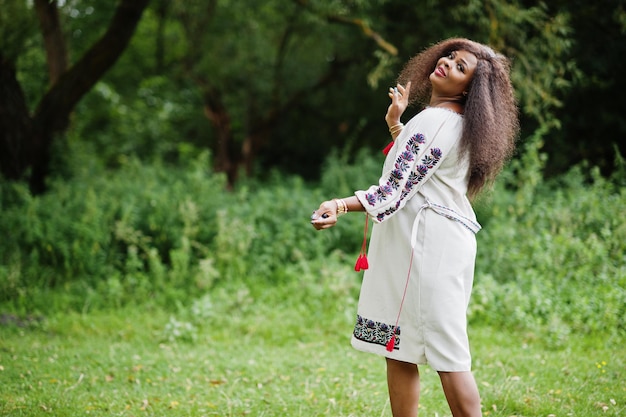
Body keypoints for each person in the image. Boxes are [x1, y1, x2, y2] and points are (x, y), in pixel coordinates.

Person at [310, 38, 519, 417]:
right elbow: (422, 171)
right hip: (425, 247)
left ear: (469, 88)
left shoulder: (436, 121)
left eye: (460, 67)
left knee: (448, 355)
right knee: (399, 346)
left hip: (428, 251)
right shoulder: (449, 123)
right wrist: (396, 125)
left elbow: (394, 189)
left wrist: (339, 204)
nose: (447, 64)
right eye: (450, 56)